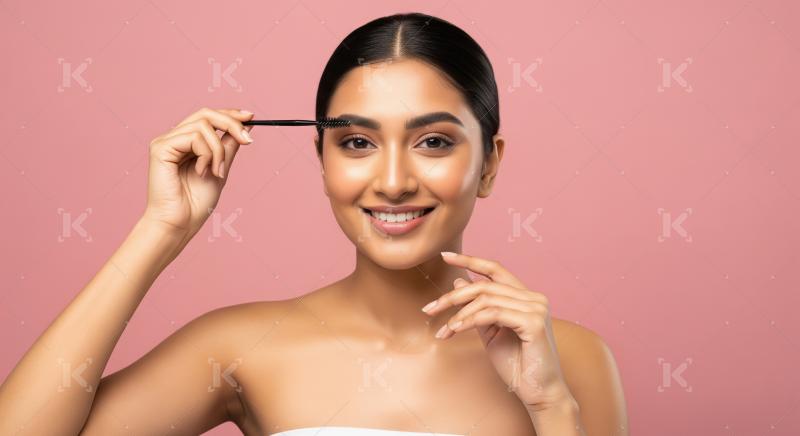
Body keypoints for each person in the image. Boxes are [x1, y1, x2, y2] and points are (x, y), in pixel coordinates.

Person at [0, 12, 628, 436]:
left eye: (433, 141)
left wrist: (551, 406)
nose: (391, 181)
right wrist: (161, 229)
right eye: (357, 143)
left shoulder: (567, 358)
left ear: (488, 164)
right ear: (322, 159)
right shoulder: (241, 345)